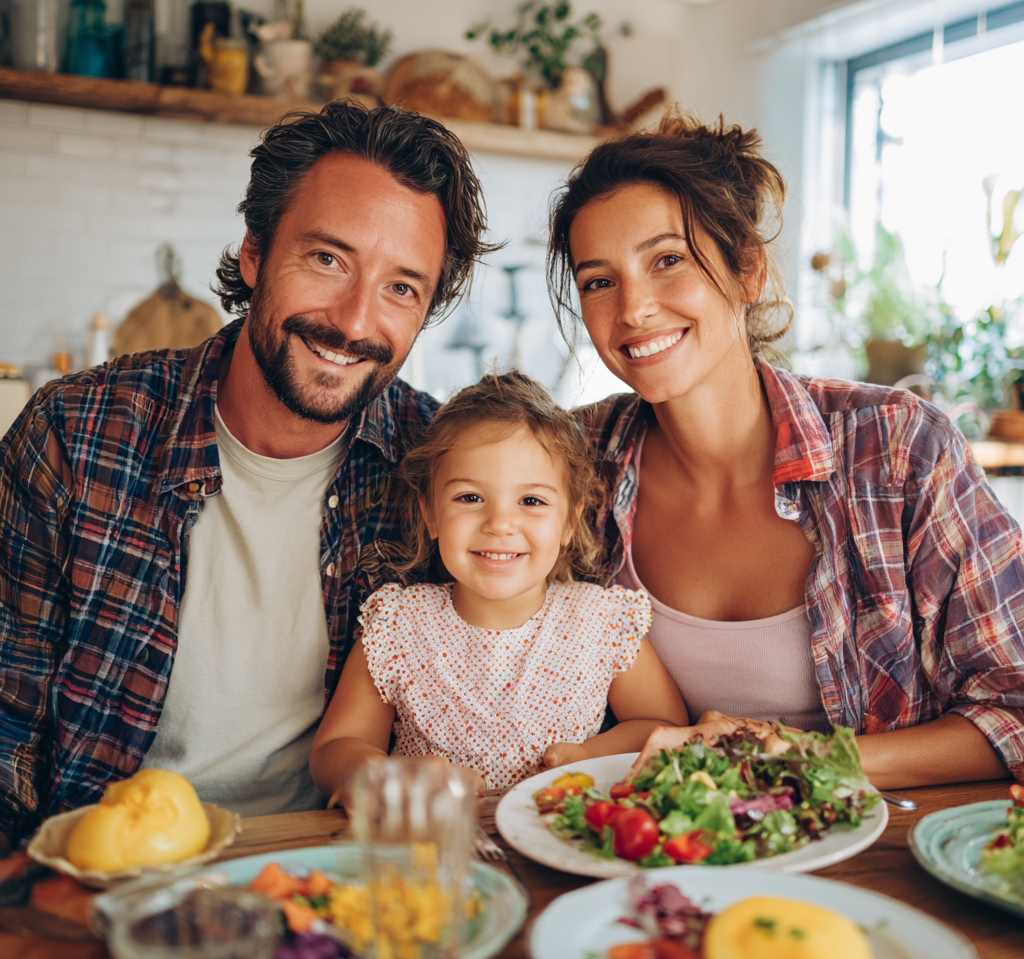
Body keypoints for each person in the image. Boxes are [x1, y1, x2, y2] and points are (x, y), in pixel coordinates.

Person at [0, 100, 496, 847]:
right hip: (107, 879)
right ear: (255, 253)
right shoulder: (75, 435)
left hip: (337, 875)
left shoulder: (441, 467)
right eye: (327, 259)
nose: (357, 321)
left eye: (401, 287)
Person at [548, 110, 1024, 790]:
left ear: (748, 271)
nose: (633, 309)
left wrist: (794, 759)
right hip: (646, 855)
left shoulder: (896, 447)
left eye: (668, 261)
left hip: (877, 861)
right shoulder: (570, 460)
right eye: (598, 280)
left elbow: (1013, 708)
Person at [310, 371, 688, 805]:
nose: (500, 524)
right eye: (470, 498)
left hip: (562, 847)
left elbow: (664, 727)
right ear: (430, 513)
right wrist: (381, 774)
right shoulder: (398, 625)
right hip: (434, 851)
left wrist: (590, 756)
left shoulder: (600, 622)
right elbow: (334, 748)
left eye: (531, 501)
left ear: (568, 521)